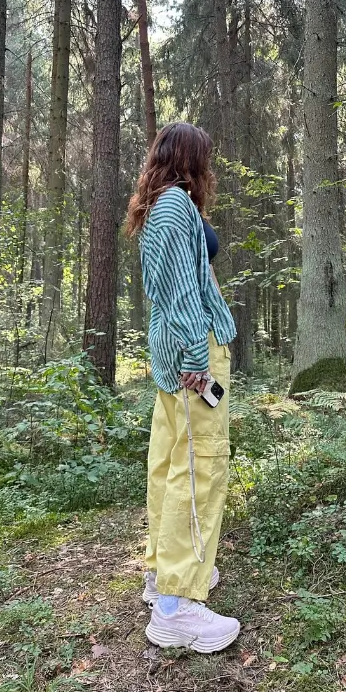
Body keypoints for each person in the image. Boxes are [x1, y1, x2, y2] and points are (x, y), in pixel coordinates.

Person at [126, 122, 240, 653]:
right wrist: (198, 359)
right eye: (205, 156)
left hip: (177, 361)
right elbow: (177, 297)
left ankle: (161, 576)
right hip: (193, 361)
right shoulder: (173, 207)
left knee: (172, 466)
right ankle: (177, 606)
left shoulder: (163, 205)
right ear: (191, 158)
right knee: (199, 470)